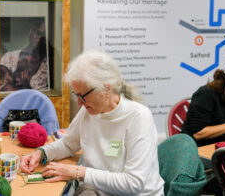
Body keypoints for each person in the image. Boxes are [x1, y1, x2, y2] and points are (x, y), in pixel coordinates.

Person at [20, 51, 164, 196]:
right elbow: (68, 144)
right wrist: (41, 153)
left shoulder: (139, 117)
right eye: (76, 95)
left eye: (83, 96)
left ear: (106, 88)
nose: (79, 102)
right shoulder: (89, 111)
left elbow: (133, 184)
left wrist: (78, 172)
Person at [0, 19, 48, 91]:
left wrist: (26, 85)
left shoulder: (47, 65)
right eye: (37, 32)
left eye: (43, 35)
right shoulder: (8, 57)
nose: (40, 38)